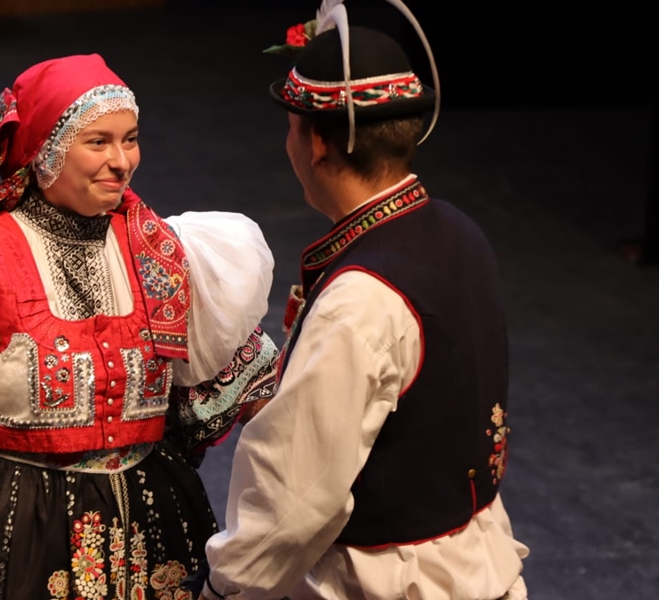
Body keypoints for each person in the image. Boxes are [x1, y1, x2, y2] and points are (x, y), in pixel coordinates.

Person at [0, 53, 279, 600]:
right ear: (45, 152)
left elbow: (266, 404)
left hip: (153, 530)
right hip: (15, 537)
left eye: (131, 139)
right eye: (98, 142)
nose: (121, 161)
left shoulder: (168, 256)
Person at [198, 1, 529, 599]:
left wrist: (226, 588)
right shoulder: (458, 228)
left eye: (291, 126)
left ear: (317, 141)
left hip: (390, 585)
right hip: (480, 566)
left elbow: (295, 496)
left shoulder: (360, 300)